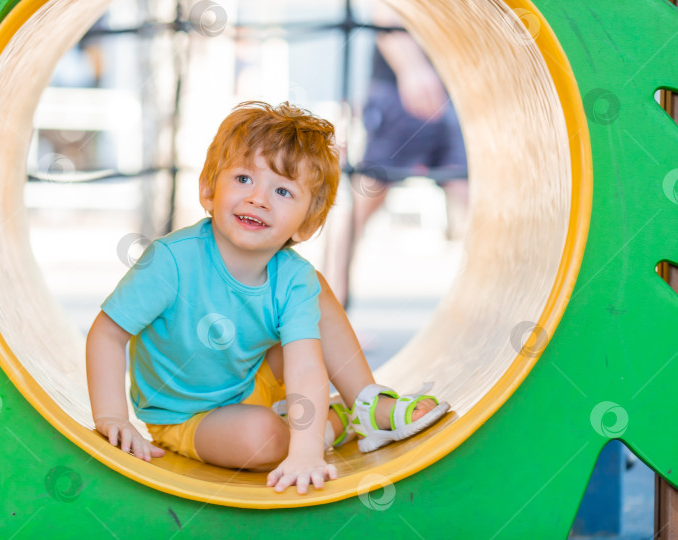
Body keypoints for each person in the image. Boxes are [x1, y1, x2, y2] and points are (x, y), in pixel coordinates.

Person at [86, 101, 449, 494]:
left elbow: (307, 366)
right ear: (209, 189)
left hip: (256, 374)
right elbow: (108, 334)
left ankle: (364, 402)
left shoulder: (291, 276)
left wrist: (307, 454)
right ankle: (332, 422)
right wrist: (112, 417)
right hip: (189, 414)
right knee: (264, 440)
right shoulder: (171, 261)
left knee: (314, 287)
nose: (259, 198)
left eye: (282, 190)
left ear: (308, 223)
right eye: (243, 179)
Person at [325, 1, 469, 307]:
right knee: (363, 200)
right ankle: (329, 311)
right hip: (401, 92)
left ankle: (497, 307)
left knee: (476, 198)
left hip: (451, 90)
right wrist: (411, 67)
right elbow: (386, 8)